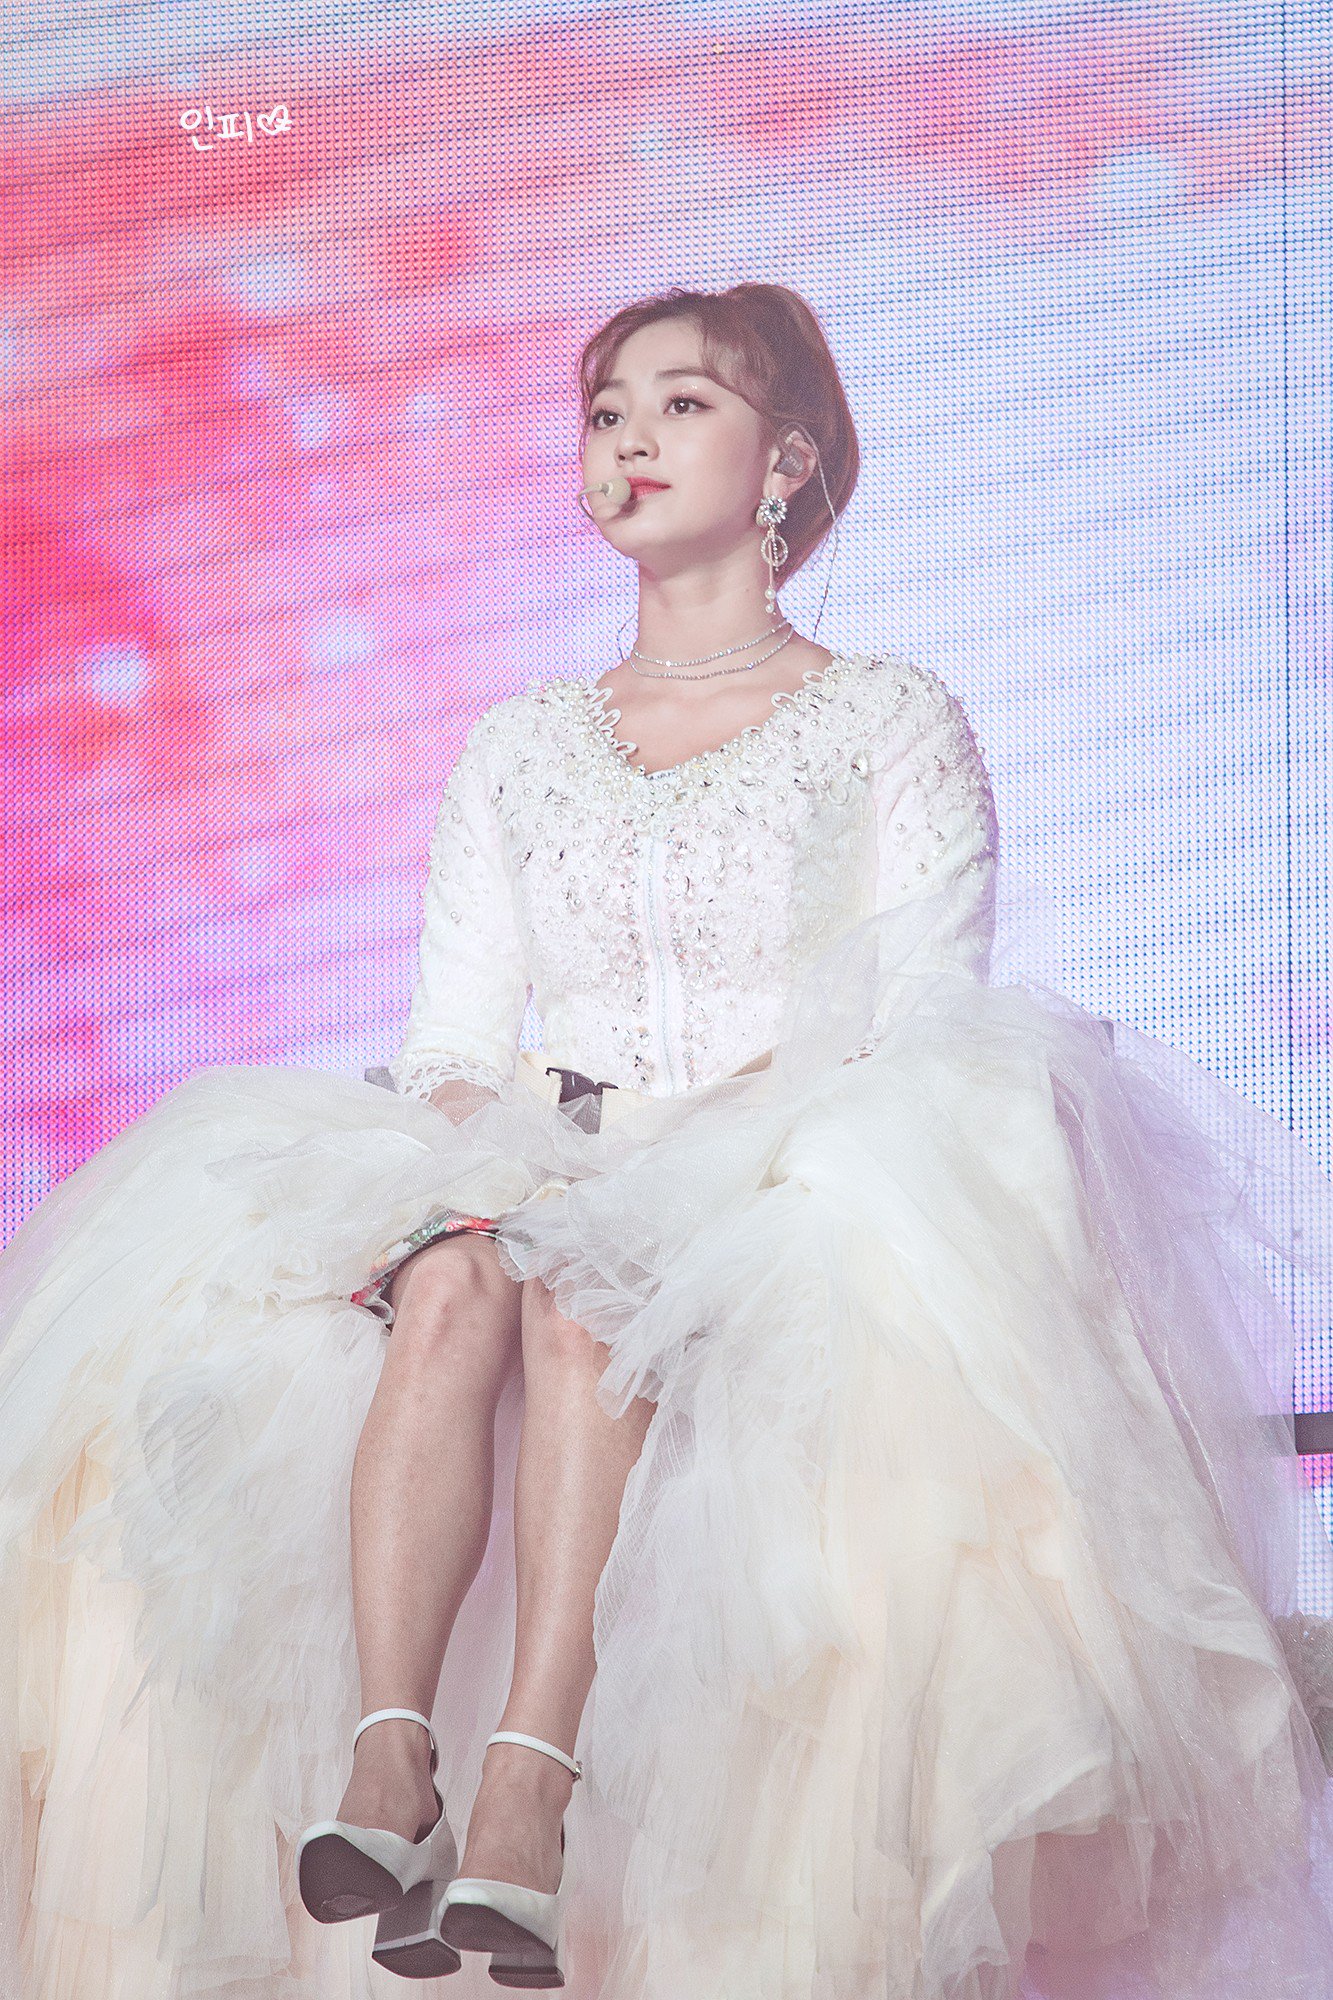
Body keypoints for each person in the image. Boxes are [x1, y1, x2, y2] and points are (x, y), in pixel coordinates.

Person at [3, 281, 1333, 2000]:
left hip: (783, 1169)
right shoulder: (519, 744)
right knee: (453, 1282)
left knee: (588, 1295)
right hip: (537, 1155)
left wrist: (677, 1177)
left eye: (682, 404)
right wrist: (504, 1163)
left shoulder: (885, 718)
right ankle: (391, 1772)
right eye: (603, 409)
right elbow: (454, 1042)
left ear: (787, 460)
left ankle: (526, 1794)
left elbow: (920, 1014)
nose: (627, 438)